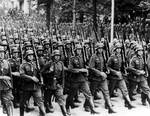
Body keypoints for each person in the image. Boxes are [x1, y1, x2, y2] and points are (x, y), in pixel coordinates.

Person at [66, 44, 99, 115]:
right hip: (75, 80)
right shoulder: (72, 58)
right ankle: (67, 108)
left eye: (80, 50)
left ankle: (92, 108)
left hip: (83, 79)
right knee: (71, 95)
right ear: (75, 50)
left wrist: (87, 68)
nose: (79, 51)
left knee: (88, 93)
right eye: (78, 50)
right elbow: (70, 69)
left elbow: (86, 66)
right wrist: (80, 70)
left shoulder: (83, 57)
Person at [84, 42, 116, 113]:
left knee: (106, 92)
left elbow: (105, 65)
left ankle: (108, 105)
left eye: (102, 48)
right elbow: (91, 67)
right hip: (95, 78)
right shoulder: (93, 56)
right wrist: (100, 73)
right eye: (99, 48)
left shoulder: (103, 56)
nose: (101, 50)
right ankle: (87, 105)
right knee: (91, 93)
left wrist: (106, 70)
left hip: (102, 78)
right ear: (97, 49)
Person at [107, 42, 135, 109]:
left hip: (120, 76)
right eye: (118, 48)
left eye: (120, 48)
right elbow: (108, 67)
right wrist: (115, 72)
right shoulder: (112, 57)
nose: (119, 50)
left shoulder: (121, 56)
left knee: (125, 90)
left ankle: (128, 103)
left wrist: (124, 71)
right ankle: (107, 104)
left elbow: (122, 66)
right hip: (113, 77)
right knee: (110, 91)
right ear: (115, 49)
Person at [41, 50, 69, 116]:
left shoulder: (61, 63)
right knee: (47, 98)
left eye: (58, 56)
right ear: (53, 56)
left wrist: (62, 84)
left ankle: (64, 113)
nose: (57, 57)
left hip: (57, 84)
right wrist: (49, 71)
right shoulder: (49, 63)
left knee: (60, 98)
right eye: (56, 56)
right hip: (49, 84)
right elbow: (42, 72)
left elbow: (63, 75)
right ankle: (45, 110)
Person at [19, 50, 45, 116]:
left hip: (36, 87)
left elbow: (39, 73)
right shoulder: (23, 65)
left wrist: (41, 79)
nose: (31, 57)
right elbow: (22, 75)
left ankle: (42, 114)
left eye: (32, 55)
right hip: (26, 87)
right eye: (29, 56)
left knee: (40, 102)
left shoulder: (36, 64)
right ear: (26, 56)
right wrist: (31, 78)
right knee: (22, 103)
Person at [0, 46, 13, 116]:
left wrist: (11, 87)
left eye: (2, 52)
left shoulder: (6, 62)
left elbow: (10, 76)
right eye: (0, 52)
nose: (1, 54)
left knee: (8, 104)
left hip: (6, 87)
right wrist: (2, 77)